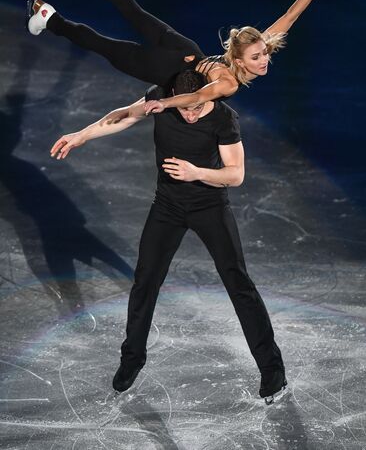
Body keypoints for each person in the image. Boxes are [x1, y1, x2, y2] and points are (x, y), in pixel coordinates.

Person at [50, 71, 287, 405]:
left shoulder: (223, 118)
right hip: (168, 207)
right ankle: (132, 359)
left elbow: (236, 175)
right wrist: (82, 135)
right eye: (184, 108)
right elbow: (123, 116)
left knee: (237, 281)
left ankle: (272, 370)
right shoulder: (161, 100)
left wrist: (197, 173)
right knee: (145, 280)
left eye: (195, 107)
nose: (189, 114)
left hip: (210, 206)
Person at [28, 0, 340, 122]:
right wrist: (164, 104)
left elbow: (289, 17)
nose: (264, 60)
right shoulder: (229, 83)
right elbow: (199, 95)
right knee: (102, 45)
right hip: (167, 69)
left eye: (263, 54)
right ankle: (50, 18)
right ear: (240, 60)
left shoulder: (245, 54)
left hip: (182, 47)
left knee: (131, 8)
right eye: (258, 57)